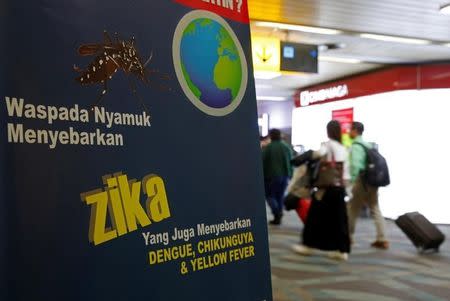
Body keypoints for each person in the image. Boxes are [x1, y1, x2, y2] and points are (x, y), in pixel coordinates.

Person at [292, 120, 351, 261]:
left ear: (328, 131)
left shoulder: (328, 145)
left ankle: (308, 245)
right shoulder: (344, 148)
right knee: (340, 219)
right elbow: (346, 172)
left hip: (326, 190)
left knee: (314, 217)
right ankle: (342, 250)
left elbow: (317, 155)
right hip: (340, 188)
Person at [347, 122, 389, 249]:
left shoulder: (356, 145)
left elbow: (356, 165)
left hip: (362, 181)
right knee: (375, 208)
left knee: (352, 209)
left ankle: (348, 237)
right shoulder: (368, 145)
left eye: (350, 130)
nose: (349, 132)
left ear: (355, 131)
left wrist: (352, 182)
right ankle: (382, 238)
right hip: (372, 182)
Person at [262, 129, 293, 225]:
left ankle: (277, 213)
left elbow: (262, 162)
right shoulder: (286, 147)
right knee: (280, 196)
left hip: (271, 176)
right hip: (285, 176)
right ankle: (278, 217)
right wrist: (290, 175)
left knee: (269, 195)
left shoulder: (268, 148)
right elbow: (290, 162)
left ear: (271, 136)